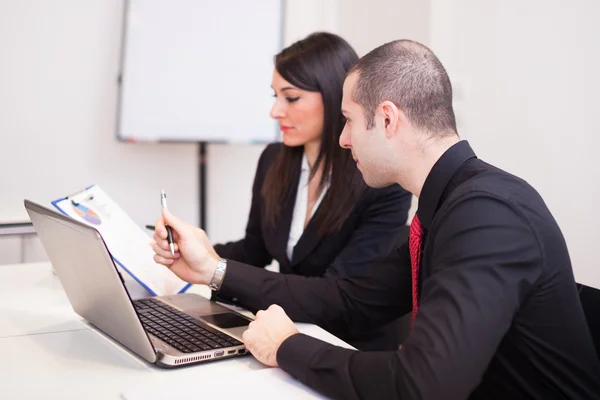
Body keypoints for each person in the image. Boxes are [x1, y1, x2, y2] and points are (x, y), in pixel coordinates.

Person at [152, 39, 600, 398]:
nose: (343, 140)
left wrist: (288, 347)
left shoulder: (487, 217)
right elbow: (348, 299)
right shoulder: (447, 207)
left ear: (387, 120)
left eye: (348, 121)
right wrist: (212, 269)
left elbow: (424, 384)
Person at [169, 32, 413, 351]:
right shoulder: (275, 160)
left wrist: (216, 271)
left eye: (291, 98)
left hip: (346, 349)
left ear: (336, 97)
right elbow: (255, 249)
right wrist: (192, 249)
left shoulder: (381, 182)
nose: (275, 112)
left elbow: (335, 296)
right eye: (275, 97)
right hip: (284, 332)